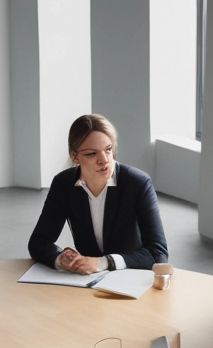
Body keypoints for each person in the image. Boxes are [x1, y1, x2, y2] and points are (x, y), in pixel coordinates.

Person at [28, 114, 168, 273]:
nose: (104, 160)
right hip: (86, 282)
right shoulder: (64, 184)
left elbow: (158, 253)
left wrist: (104, 262)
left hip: (130, 279)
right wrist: (60, 258)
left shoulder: (137, 183)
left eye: (108, 150)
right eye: (91, 154)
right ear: (74, 156)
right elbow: (39, 242)